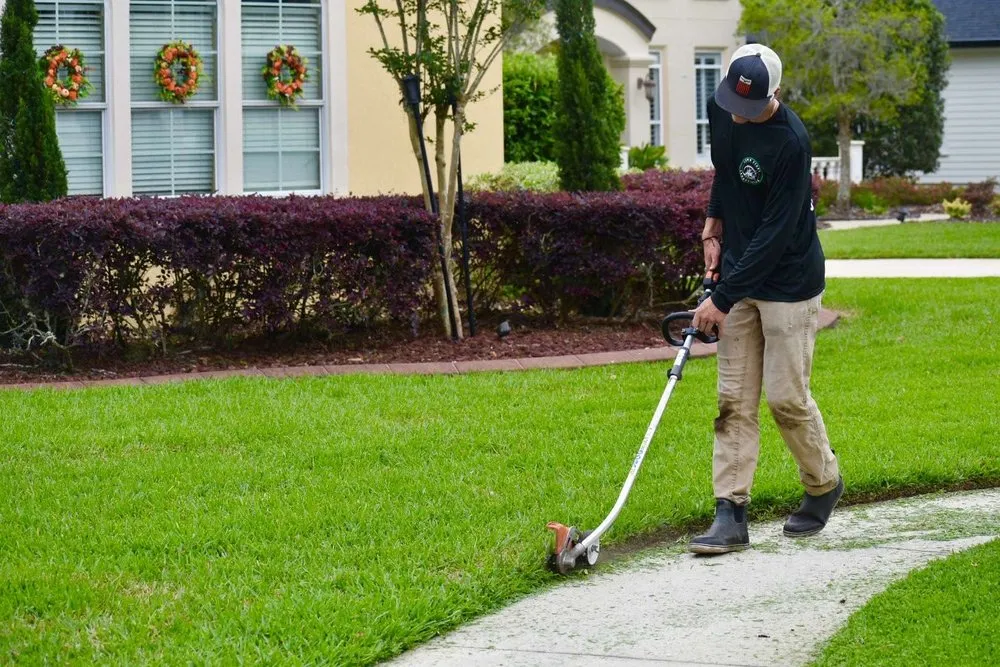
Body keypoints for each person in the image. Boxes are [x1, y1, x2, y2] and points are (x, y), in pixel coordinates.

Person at [688, 44, 843, 554]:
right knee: (733, 399)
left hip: (789, 282)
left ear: (775, 93)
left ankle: (823, 485)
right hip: (740, 274)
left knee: (785, 399)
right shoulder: (724, 103)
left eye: (749, 106)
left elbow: (776, 234)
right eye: (734, 100)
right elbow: (727, 169)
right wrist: (715, 216)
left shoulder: (791, 143)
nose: (738, 112)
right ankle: (729, 514)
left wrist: (722, 297)